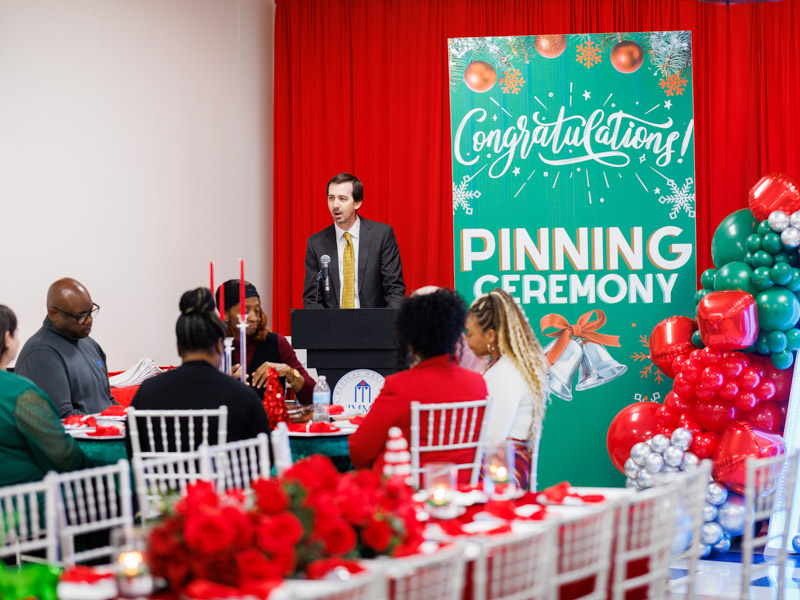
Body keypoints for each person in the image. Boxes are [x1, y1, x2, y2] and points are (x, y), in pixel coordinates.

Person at [349, 289, 487, 480]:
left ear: (410, 341)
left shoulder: (398, 386)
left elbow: (359, 452)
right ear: (455, 336)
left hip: (406, 496)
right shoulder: (477, 383)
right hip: (461, 489)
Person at [128, 288, 271, 453]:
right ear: (220, 345)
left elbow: (134, 451)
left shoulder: (147, 392)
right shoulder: (242, 396)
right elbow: (263, 457)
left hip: (162, 479)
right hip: (223, 479)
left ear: (178, 348)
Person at [464, 288, 550, 491]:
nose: (466, 341)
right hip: (506, 462)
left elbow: (493, 438)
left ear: (491, 335)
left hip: (503, 467)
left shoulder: (506, 372)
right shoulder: (507, 366)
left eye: (470, 334)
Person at [0, 305, 91, 486]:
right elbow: (63, 456)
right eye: (16, 333)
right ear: (7, 339)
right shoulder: (22, 394)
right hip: (27, 503)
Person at [302, 172, 406, 309]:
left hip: (374, 325)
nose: (335, 205)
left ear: (357, 203)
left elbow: (394, 291)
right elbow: (312, 299)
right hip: (333, 326)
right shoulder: (316, 243)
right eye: (331, 198)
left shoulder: (381, 236)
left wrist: (385, 327)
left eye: (342, 199)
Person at [15, 278, 115, 418]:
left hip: (105, 433)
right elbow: (62, 416)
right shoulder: (41, 353)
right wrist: (108, 425)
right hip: (77, 438)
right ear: (54, 314)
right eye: (81, 316)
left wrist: (125, 418)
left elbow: (107, 401)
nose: (89, 320)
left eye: (91, 312)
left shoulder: (90, 344)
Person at [216, 280, 315, 404]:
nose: (254, 318)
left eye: (257, 310)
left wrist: (288, 372)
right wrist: (220, 384)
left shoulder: (276, 343)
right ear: (225, 315)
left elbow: (314, 396)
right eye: (245, 312)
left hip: (270, 422)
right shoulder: (213, 348)